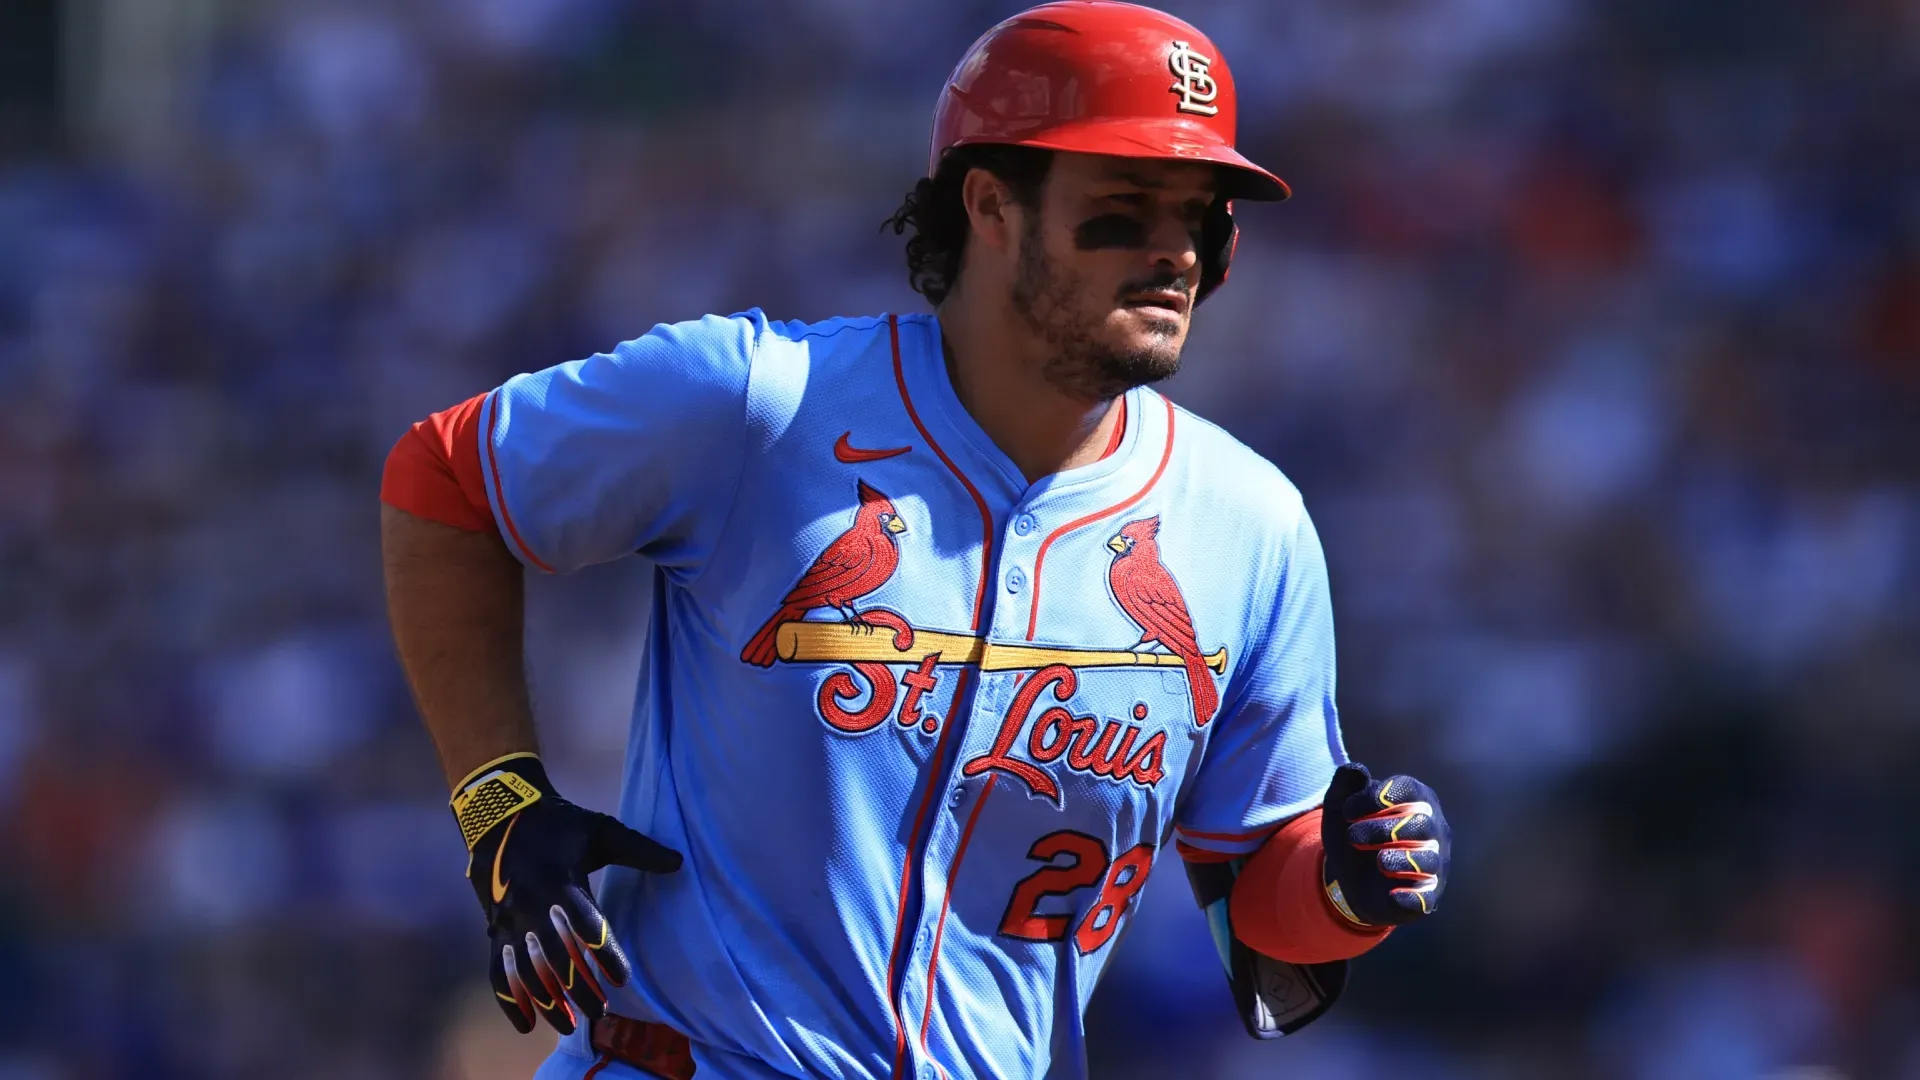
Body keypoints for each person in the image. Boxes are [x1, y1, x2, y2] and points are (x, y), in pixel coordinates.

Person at [380, 3, 1453, 1077]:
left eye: (1203, 221)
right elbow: (442, 480)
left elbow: (1263, 909)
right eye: (1124, 210)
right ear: (990, 204)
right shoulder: (761, 404)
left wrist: (1347, 886)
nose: (1173, 253)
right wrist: (499, 798)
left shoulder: (1249, 524)